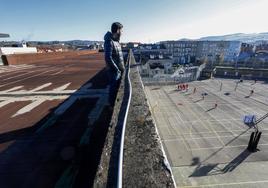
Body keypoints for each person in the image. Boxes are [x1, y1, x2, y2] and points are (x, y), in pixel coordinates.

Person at [104, 22, 125, 107]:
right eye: (121, 30)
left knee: (116, 89)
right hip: (114, 71)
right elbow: (108, 58)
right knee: (113, 90)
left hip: (117, 71)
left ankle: (113, 105)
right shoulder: (109, 41)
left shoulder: (115, 41)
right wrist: (117, 69)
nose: (122, 32)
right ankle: (111, 107)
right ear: (117, 30)